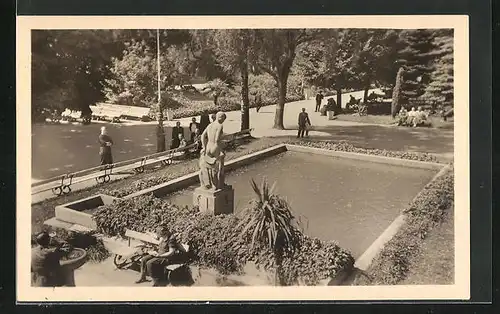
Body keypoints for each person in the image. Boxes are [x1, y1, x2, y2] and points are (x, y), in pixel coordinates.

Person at [199, 112, 227, 190]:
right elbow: (217, 139)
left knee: (209, 166)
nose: (223, 121)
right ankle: (218, 185)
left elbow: (202, 136)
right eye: (223, 119)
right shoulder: (219, 125)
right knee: (218, 166)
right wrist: (221, 150)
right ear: (220, 117)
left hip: (208, 147)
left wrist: (204, 147)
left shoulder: (209, 125)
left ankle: (209, 184)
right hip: (215, 147)